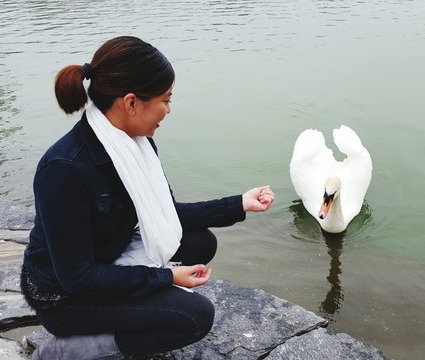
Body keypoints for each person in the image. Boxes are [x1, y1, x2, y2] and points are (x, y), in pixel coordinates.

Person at [20, 36, 275, 359]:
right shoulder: (65, 169)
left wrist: (239, 203)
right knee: (194, 316)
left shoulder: (136, 145)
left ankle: (136, 309)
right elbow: (78, 278)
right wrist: (165, 276)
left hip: (107, 258)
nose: (168, 110)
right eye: (165, 100)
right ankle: (68, 350)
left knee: (200, 243)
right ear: (130, 103)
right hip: (64, 298)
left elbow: (165, 213)